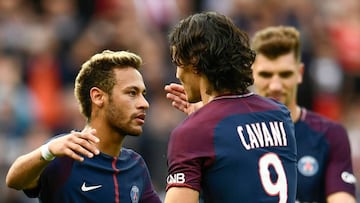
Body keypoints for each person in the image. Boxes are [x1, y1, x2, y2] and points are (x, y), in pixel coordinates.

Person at [165, 26, 357, 203]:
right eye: (266, 75)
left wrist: (206, 122)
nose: (275, 85)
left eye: (285, 74)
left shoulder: (328, 134)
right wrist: (208, 118)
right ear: (252, 72)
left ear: (299, 74)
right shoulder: (274, 117)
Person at [164, 11, 297, 203]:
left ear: (194, 61)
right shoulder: (279, 113)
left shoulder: (192, 132)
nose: (177, 74)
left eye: (177, 62)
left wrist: (200, 124)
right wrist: (205, 117)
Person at [6, 50, 162, 203]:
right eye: (132, 93)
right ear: (98, 97)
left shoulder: (135, 165)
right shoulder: (66, 153)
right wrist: (48, 151)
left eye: (143, 94)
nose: (144, 104)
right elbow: (14, 180)